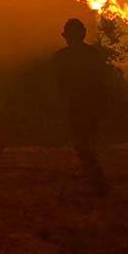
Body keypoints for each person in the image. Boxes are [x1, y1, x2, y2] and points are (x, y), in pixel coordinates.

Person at [52, 18, 112, 195]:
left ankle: (97, 182)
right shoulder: (93, 54)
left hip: (76, 105)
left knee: (82, 143)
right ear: (83, 34)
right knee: (87, 142)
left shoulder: (61, 57)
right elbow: (103, 81)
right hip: (91, 105)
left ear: (66, 37)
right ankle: (93, 179)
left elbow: (57, 84)